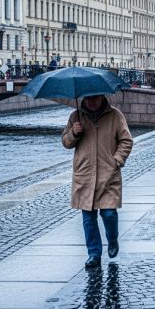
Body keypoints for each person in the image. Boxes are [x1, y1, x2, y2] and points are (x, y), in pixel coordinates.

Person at [62, 94, 134, 268]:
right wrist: (73, 133)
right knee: (88, 218)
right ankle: (94, 254)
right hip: (84, 175)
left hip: (107, 174)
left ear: (103, 97)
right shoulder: (75, 117)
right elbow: (66, 142)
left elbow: (126, 141)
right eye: (88, 98)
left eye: (95, 97)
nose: (92, 101)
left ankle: (112, 239)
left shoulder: (115, 116)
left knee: (109, 214)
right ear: (83, 99)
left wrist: (116, 161)